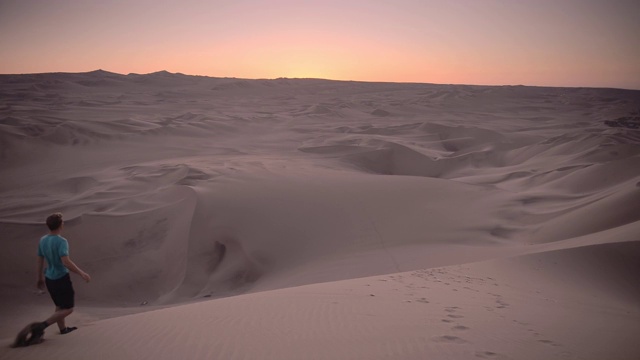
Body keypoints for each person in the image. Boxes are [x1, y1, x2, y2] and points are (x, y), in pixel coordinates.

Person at [32, 212, 91, 339]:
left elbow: (40, 260)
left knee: (59, 306)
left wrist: (39, 277)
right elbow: (66, 262)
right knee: (69, 309)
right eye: (62, 222)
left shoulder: (43, 240)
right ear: (60, 225)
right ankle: (42, 326)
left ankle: (63, 329)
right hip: (61, 278)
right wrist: (82, 273)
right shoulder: (61, 241)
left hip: (49, 278)